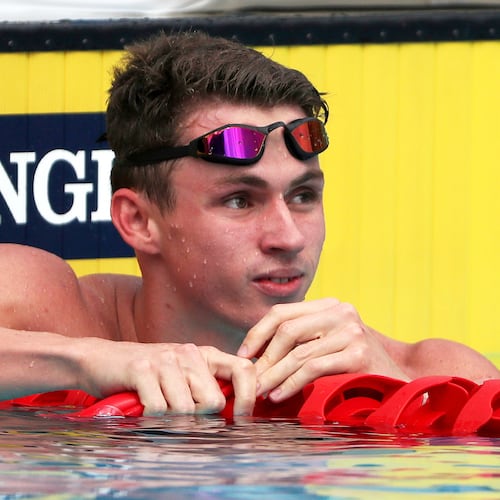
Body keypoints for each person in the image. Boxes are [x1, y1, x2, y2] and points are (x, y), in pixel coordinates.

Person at [0, 31, 498, 417]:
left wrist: (396, 399)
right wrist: (93, 362)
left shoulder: (431, 374)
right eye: (240, 201)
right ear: (139, 221)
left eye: (303, 196)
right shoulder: (45, 310)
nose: (289, 237)